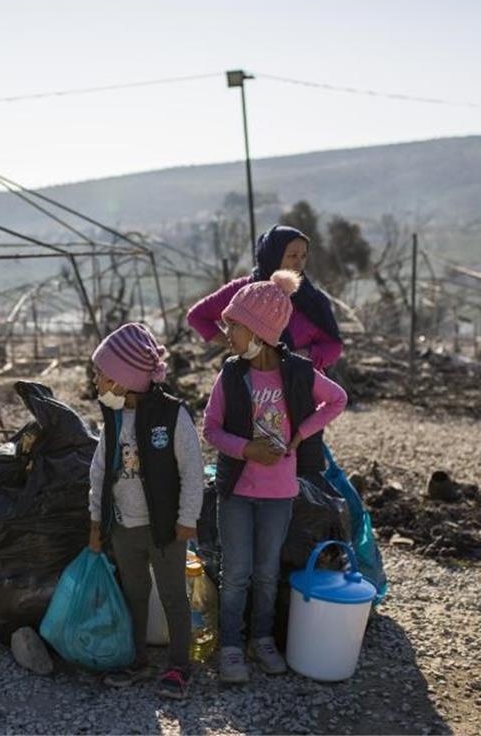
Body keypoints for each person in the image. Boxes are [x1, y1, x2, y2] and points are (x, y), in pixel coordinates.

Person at [201, 270, 348, 683]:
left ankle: (261, 641)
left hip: (278, 493)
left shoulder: (298, 373)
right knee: (236, 573)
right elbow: (210, 429)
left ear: (258, 331)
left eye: (233, 326)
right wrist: (246, 449)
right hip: (236, 492)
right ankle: (231, 645)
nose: (227, 333)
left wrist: (299, 435)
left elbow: (337, 399)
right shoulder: (231, 375)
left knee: (266, 573)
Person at [87, 322, 204, 699]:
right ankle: (137, 660)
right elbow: (100, 470)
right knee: (133, 592)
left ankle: (179, 666)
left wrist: (188, 518)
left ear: (125, 380)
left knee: (173, 596)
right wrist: (96, 519)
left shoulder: (172, 416)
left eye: (101, 376)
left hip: (165, 528)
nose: (97, 383)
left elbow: (192, 470)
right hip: (124, 527)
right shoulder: (113, 416)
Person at [187, 225, 343, 371]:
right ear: (272, 255)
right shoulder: (245, 291)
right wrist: (235, 344)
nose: (299, 263)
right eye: (292, 256)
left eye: (303, 256)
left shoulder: (313, 300)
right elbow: (197, 316)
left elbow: (333, 345)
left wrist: (306, 355)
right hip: (255, 388)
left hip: (302, 387)